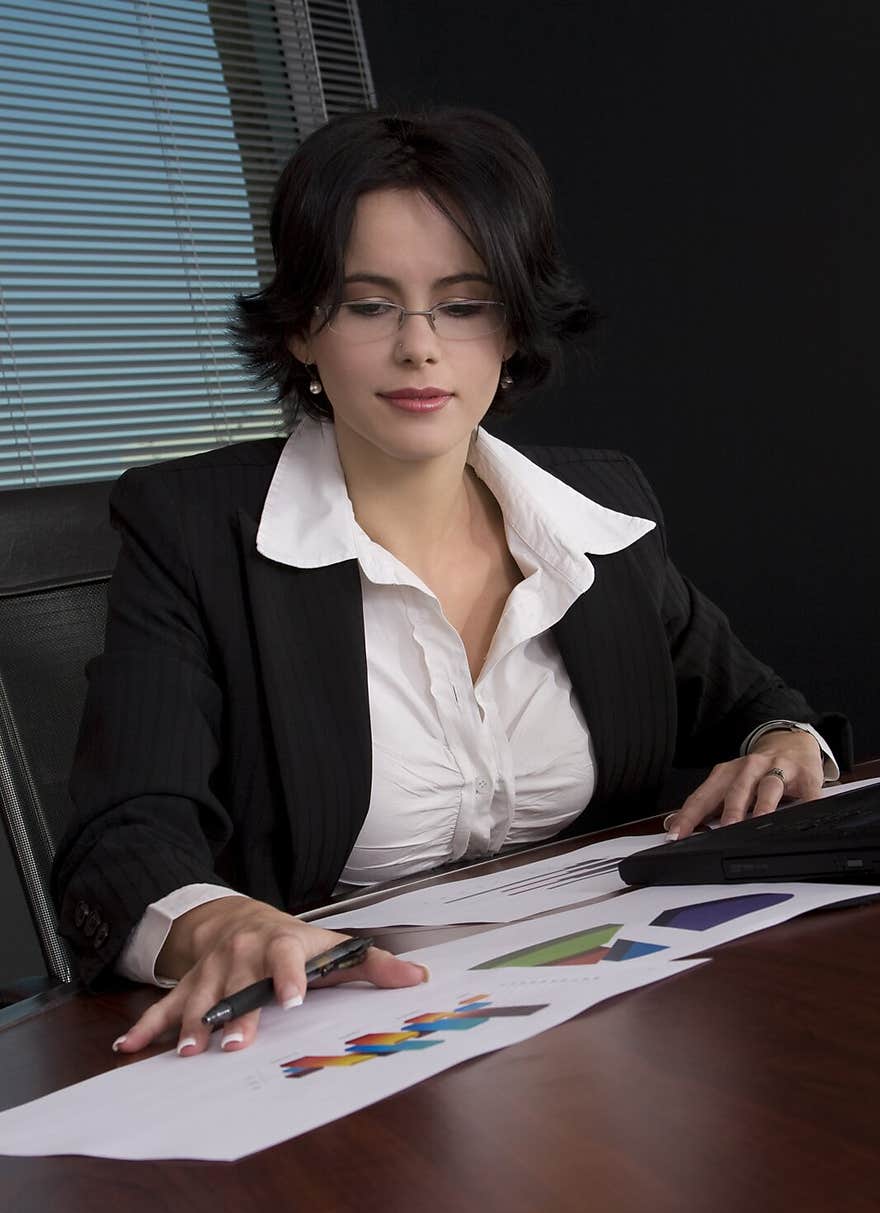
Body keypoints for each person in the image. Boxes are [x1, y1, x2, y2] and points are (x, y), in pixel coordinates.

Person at [51, 103, 848, 1060]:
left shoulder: (593, 511)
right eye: (369, 303)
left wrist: (786, 744)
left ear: (513, 329)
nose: (419, 347)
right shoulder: (194, 532)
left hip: (609, 1016)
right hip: (342, 1036)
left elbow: (755, 703)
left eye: (464, 305)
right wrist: (215, 926)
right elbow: (127, 831)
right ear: (303, 330)